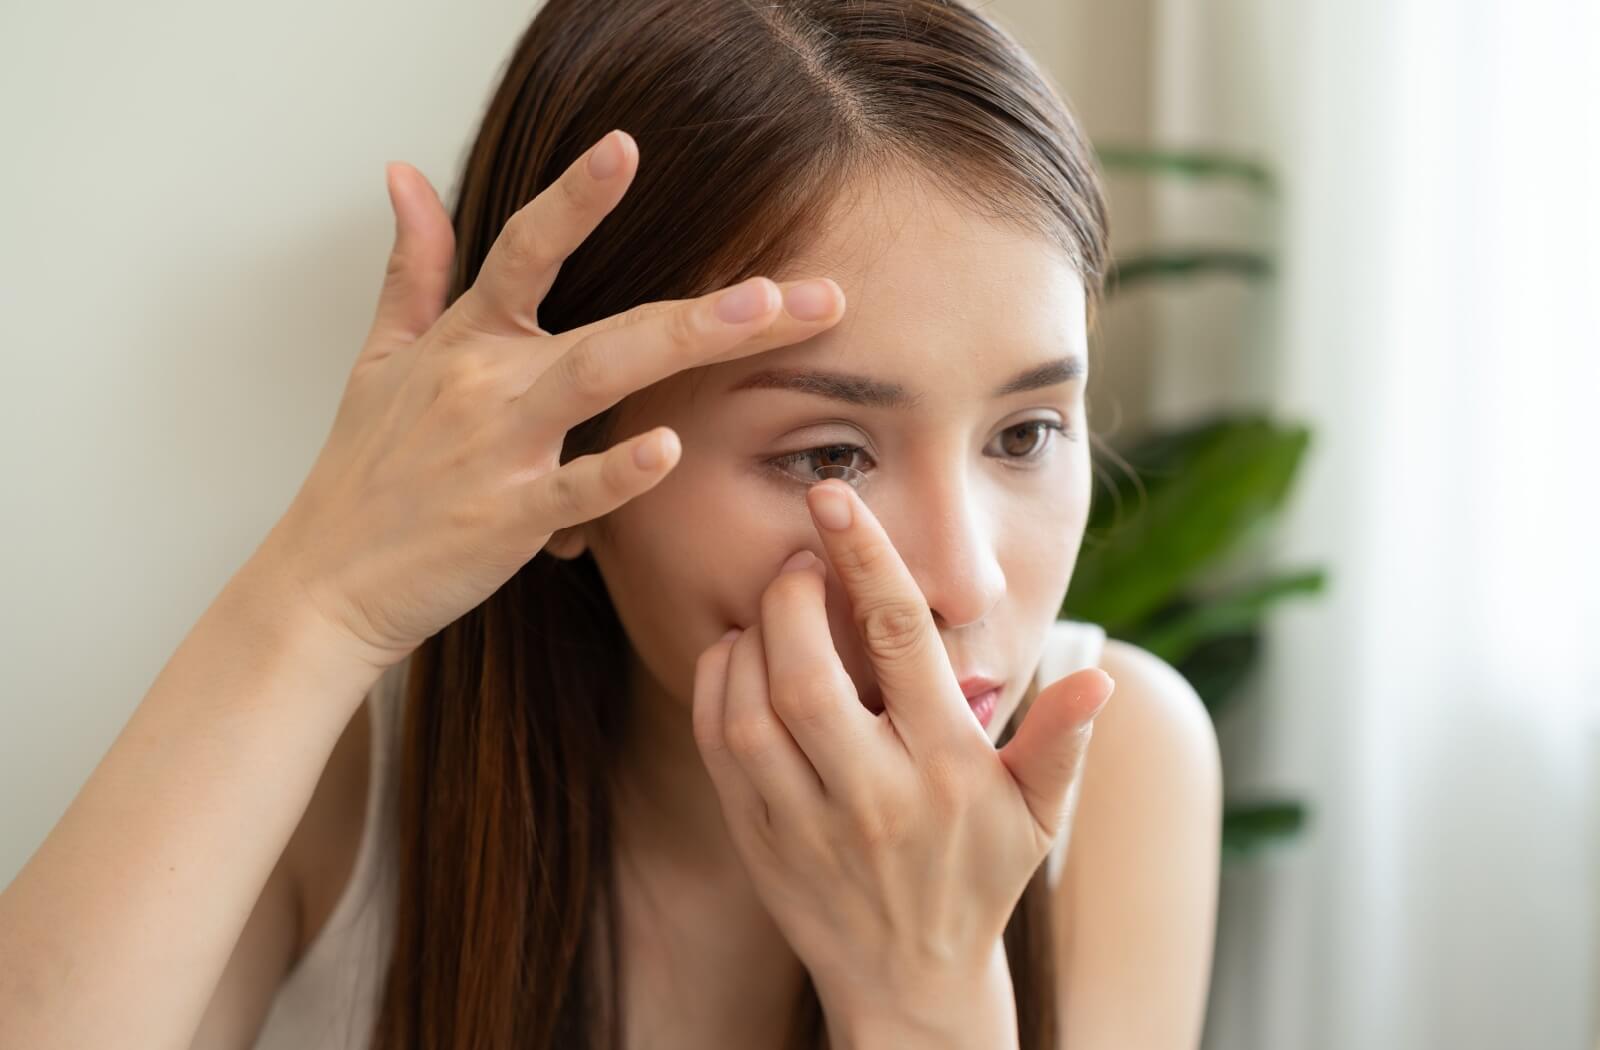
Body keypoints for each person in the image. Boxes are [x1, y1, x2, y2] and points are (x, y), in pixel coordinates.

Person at [0, 0, 1223, 1047]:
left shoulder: (1116, 764)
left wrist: (927, 999)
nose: (962, 583)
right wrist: (313, 600)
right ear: (563, 459)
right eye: (830, 456)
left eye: (1024, 434)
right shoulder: (351, 781)